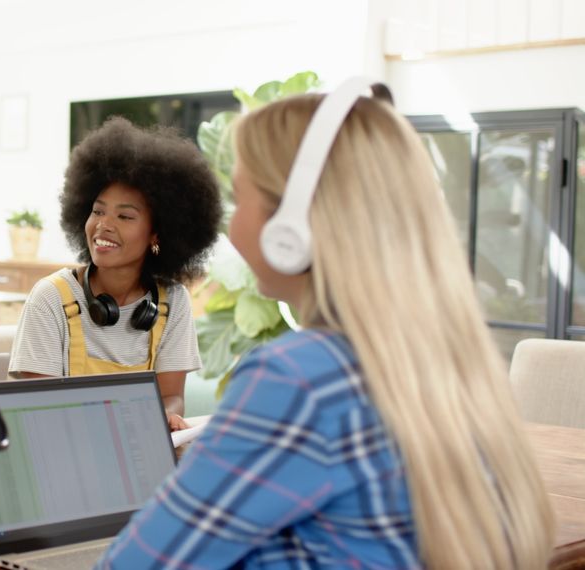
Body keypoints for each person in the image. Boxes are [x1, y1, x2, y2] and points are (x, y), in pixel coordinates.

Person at [98, 80, 555, 568]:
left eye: (239, 197)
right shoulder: (447, 357)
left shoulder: (300, 378)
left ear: (291, 228)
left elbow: (134, 564)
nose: (231, 224)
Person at [8, 117, 222, 431]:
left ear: (157, 234)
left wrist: (165, 417)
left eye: (125, 216)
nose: (103, 225)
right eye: (97, 211)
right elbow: (44, 414)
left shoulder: (172, 302)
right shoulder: (51, 298)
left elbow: (172, 396)